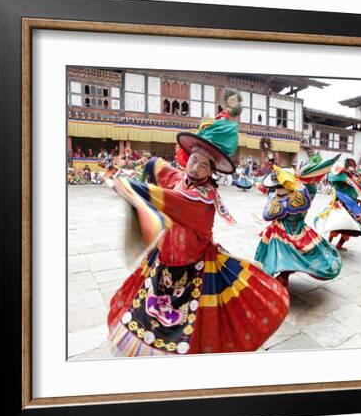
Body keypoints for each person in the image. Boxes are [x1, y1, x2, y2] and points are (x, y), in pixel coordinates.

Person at [106, 93, 289, 357]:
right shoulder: (181, 178)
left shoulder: (201, 199)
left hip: (194, 270)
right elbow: (157, 166)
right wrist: (142, 170)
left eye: (205, 165)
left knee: (196, 327)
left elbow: (171, 200)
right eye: (194, 159)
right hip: (163, 264)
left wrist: (125, 185)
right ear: (187, 157)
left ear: (211, 172)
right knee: (145, 317)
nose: (197, 167)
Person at [254, 154, 342, 288]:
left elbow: (267, 215)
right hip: (300, 229)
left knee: (281, 254)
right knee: (292, 254)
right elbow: (311, 186)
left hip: (281, 231)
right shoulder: (306, 192)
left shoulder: (276, 197)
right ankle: (284, 276)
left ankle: (283, 277)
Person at [315, 158, 361, 251]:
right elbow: (334, 179)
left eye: (351, 166)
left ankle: (339, 245)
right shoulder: (337, 176)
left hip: (351, 207)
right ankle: (329, 243)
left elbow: (360, 185)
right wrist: (348, 178)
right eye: (349, 166)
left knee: (349, 228)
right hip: (340, 205)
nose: (350, 168)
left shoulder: (351, 176)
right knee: (335, 225)